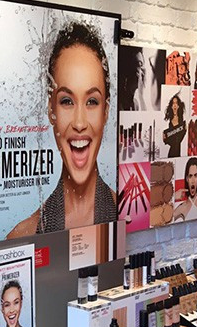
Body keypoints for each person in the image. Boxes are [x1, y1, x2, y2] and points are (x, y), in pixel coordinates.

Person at [7, 22, 116, 237]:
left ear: (105, 111)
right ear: (51, 110)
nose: (79, 123)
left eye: (92, 101)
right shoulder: (22, 236)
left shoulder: (128, 217)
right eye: (67, 101)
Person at [162, 93, 186, 158]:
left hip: (180, 153)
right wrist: (165, 139)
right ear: (171, 106)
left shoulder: (182, 121)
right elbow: (170, 139)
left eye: (176, 103)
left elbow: (180, 138)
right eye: (173, 103)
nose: (175, 105)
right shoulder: (169, 121)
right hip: (171, 152)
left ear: (178, 106)